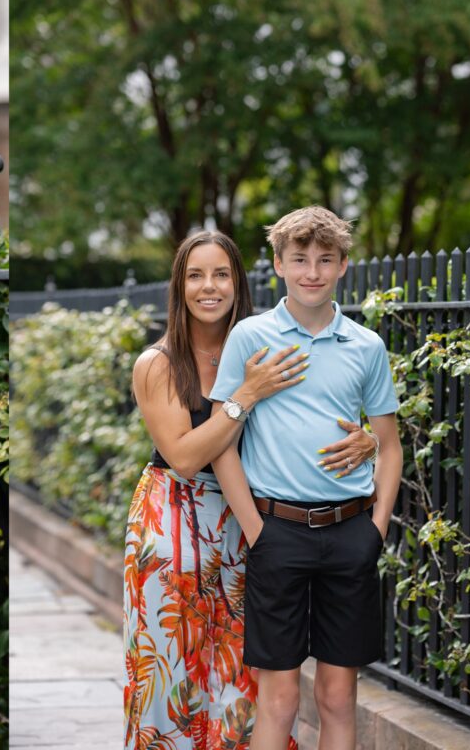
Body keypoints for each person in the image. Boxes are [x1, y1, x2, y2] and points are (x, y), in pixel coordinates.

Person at [124, 230, 377, 750]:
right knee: (172, 674)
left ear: (239, 283)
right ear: (179, 285)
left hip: (247, 522)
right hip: (176, 523)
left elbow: (316, 418)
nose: (209, 287)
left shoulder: (265, 342)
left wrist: (368, 441)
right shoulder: (158, 363)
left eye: (221, 274)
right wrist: (246, 394)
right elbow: (187, 457)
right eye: (196, 275)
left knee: (243, 681)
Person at [209, 206, 402, 750]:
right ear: (278, 265)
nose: (312, 272)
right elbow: (224, 441)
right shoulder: (251, 337)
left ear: (343, 265)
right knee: (280, 699)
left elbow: (389, 447)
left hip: (350, 534)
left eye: (324, 260)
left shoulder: (366, 347)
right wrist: (255, 530)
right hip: (277, 532)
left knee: (338, 698)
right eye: (300, 260)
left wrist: (376, 530)